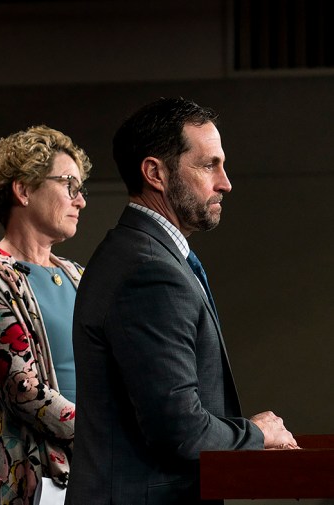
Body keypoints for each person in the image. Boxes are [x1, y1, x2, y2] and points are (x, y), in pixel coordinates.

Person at [68, 97, 299, 505]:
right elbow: (181, 431)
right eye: (209, 165)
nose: (225, 182)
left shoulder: (144, 255)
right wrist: (258, 433)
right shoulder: (148, 271)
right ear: (155, 173)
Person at [0, 125, 90, 504]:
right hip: (33, 478)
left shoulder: (78, 274)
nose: (81, 201)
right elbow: (24, 390)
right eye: (69, 185)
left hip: (99, 468)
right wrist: (107, 435)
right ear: (24, 190)